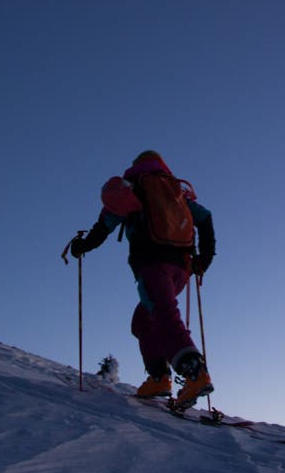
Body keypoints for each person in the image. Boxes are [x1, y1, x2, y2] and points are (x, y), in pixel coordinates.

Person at [68, 150, 216, 409]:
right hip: (181, 269)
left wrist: (81, 246)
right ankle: (160, 378)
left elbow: (105, 225)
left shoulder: (132, 189)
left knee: (163, 315)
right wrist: (204, 259)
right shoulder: (175, 193)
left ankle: (195, 373)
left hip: (152, 262)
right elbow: (204, 217)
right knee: (143, 320)